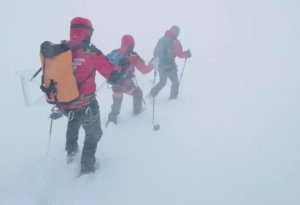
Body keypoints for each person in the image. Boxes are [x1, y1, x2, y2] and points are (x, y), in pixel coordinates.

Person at [59, 17, 116, 175]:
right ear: (88, 32)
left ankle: (71, 152)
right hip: (86, 104)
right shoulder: (91, 51)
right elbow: (112, 74)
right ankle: (87, 167)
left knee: (73, 121)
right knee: (94, 133)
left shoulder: (61, 49)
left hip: (65, 103)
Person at [106, 34, 155, 126]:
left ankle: (112, 120)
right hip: (126, 83)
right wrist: (153, 65)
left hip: (115, 83)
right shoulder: (132, 54)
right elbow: (144, 70)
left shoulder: (114, 52)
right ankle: (137, 113)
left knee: (117, 99)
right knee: (138, 93)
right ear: (132, 44)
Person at [149, 25, 192, 100]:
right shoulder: (175, 41)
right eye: (178, 32)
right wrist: (187, 54)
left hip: (161, 65)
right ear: (176, 32)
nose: (178, 34)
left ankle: (151, 95)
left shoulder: (162, 39)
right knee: (175, 82)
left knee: (162, 82)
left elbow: (155, 52)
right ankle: (172, 99)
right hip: (170, 66)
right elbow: (180, 54)